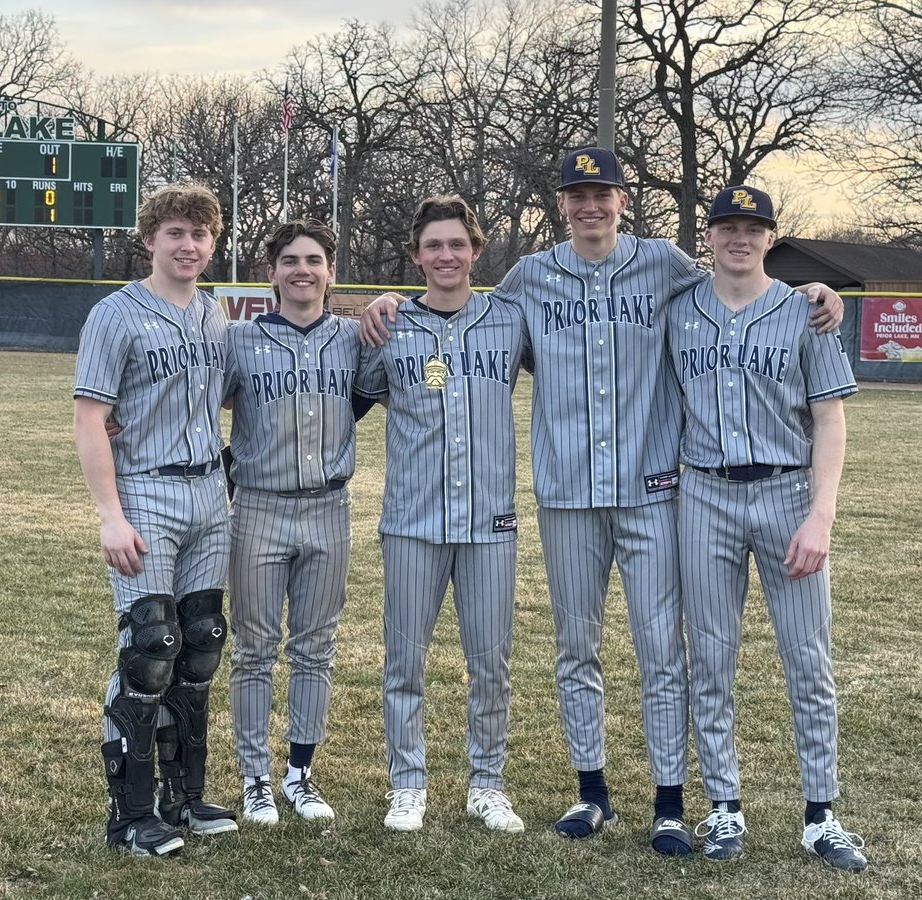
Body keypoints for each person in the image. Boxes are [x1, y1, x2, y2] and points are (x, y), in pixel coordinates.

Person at [360, 148, 843, 855]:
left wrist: (813, 292)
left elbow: (741, 278)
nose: (591, 205)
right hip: (566, 492)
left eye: (603, 193)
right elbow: (466, 316)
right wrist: (387, 303)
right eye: (577, 194)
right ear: (562, 204)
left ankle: (671, 803)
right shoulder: (529, 277)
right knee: (575, 647)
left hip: (652, 491)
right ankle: (592, 793)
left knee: (661, 651)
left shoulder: (666, 264)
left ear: (623, 201)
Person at [670, 185, 866, 871]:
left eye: (753, 228)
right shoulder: (679, 309)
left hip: (787, 493)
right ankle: (724, 806)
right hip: (705, 495)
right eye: (728, 226)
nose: (739, 238)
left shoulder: (803, 311)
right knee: (712, 659)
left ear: (771, 238)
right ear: (711, 234)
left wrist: (822, 514)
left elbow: (831, 419)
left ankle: (821, 815)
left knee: (808, 660)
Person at [355, 195, 530, 834]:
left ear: (476, 251)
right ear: (416, 256)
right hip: (411, 522)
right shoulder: (387, 327)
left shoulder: (511, 320)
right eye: (434, 245)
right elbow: (344, 404)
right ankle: (408, 785)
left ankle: (487, 785)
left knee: (491, 662)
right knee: (405, 661)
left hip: (490, 523)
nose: (446, 255)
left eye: (457, 244)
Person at [73, 182, 236, 858]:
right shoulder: (115, 313)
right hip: (145, 492)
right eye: (175, 232)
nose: (189, 244)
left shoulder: (216, 316)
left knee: (199, 642)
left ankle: (185, 796)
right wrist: (109, 515)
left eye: (200, 233)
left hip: (208, 494)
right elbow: (89, 419)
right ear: (150, 240)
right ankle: (131, 815)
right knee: (150, 650)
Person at [224, 219, 374, 824]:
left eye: (314, 260)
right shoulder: (239, 340)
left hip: (328, 507)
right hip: (259, 504)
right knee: (254, 648)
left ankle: (300, 773)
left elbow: (368, 395)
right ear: (272, 273)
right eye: (290, 260)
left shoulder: (354, 338)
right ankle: (254, 776)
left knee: (316, 647)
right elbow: (191, 397)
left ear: (330, 272)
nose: (302, 270)